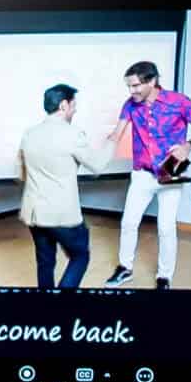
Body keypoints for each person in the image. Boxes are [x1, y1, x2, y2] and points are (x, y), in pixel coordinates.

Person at [106, 59, 191, 288]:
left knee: (165, 227)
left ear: (152, 81)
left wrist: (188, 146)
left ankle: (164, 276)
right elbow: (116, 134)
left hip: (170, 173)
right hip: (142, 174)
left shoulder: (179, 102)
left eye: (135, 85)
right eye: (129, 86)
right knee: (129, 222)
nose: (131, 91)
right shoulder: (130, 105)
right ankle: (125, 268)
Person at [16, 82, 123, 290]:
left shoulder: (29, 133)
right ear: (64, 105)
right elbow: (98, 166)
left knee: (45, 262)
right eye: (74, 105)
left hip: (34, 212)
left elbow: (21, 173)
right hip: (61, 214)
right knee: (80, 256)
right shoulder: (72, 134)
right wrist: (113, 140)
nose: (75, 110)